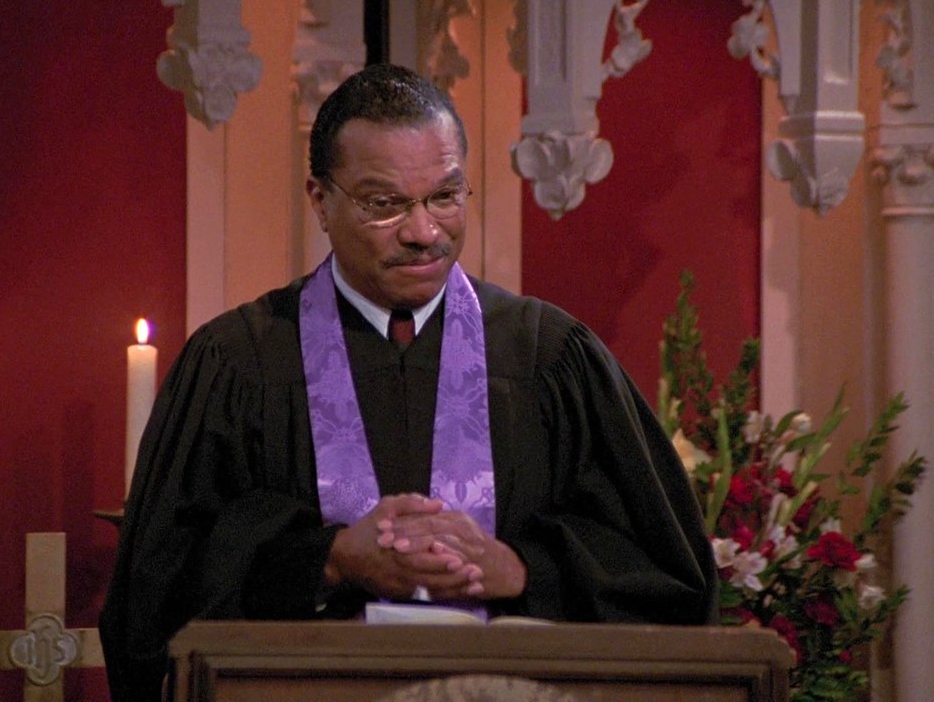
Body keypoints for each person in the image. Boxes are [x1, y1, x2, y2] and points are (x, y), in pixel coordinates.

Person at [99, 64, 717, 701]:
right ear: (320, 200)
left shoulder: (550, 357)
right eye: (385, 204)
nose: (424, 233)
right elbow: (154, 599)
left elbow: (669, 579)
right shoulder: (239, 363)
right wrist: (330, 560)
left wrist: (520, 569)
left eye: (445, 197)